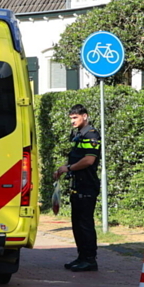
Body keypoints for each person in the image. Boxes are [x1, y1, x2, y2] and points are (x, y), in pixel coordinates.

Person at [53, 104, 101, 272]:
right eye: (71, 118)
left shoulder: (91, 135)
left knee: (85, 223)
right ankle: (81, 257)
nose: (72, 121)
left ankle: (89, 259)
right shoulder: (79, 134)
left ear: (85, 116)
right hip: (78, 184)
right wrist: (63, 168)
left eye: (75, 118)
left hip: (87, 185)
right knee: (77, 223)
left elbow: (89, 160)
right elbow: (77, 158)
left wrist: (69, 168)